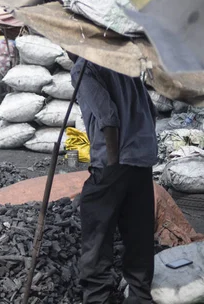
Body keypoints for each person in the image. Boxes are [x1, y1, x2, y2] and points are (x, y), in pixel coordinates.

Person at [71, 56, 157, 304]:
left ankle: (98, 298)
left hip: (115, 160)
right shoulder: (122, 64)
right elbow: (150, 110)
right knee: (139, 235)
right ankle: (140, 296)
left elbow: (108, 117)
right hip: (141, 160)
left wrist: (111, 163)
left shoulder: (83, 68)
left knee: (97, 233)